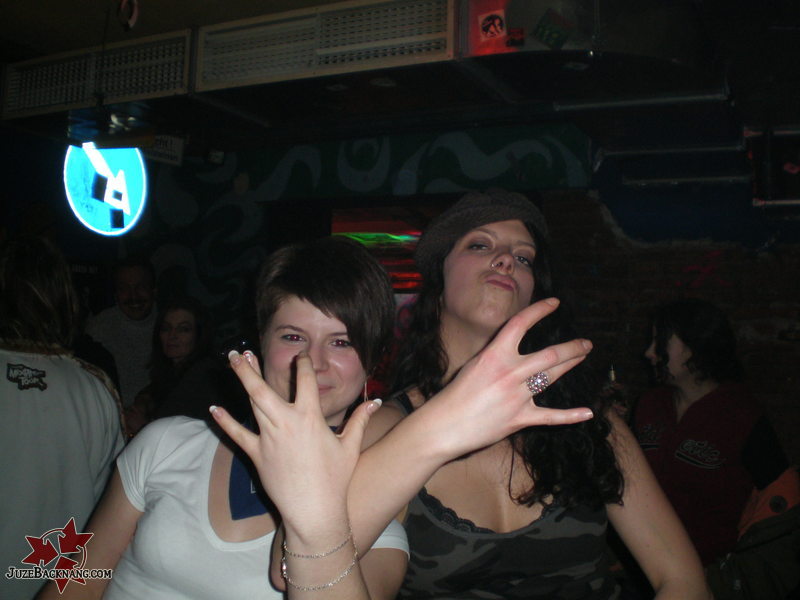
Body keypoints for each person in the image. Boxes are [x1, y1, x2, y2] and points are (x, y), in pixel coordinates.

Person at [221, 189, 711, 599]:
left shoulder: (586, 419)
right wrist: (443, 425)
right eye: (480, 245)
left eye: (523, 257)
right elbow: (294, 569)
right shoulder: (384, 427)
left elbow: (683, 580)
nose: (507, 259)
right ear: (438, 278)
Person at [39, 237, 409, 600]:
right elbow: (79, 582)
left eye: (341, 342)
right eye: (293, 337)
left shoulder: (369, 524)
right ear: (262, 342)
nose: (311, 362)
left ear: (372, 360)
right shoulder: (165, 443)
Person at [0, 235, 124, 600]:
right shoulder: (96, 387)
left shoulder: (96, 385)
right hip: (65, 585)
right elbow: (114, 507)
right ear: (64, 299)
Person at [633, 298, 788, 567]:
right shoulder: (650, 405)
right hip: (644, 562)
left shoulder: (740, 414)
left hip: (711, 568)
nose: (649, 352)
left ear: (695, 346)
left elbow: (779, 498)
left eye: (660, 341)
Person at [125, 296, 246, 433]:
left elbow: (187, 435)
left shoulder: (203, 375)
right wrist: (144, 402)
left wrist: (143, 428)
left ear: (199, 335)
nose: (172, 336)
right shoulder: (171, 373)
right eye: (166, 328)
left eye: (183, 329)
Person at [85, 256, 157, 408]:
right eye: (124, 288)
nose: (133, 296)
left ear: (154, 290)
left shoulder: (169, 324)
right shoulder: (99, 327)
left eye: (141, 287)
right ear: (116, 294)